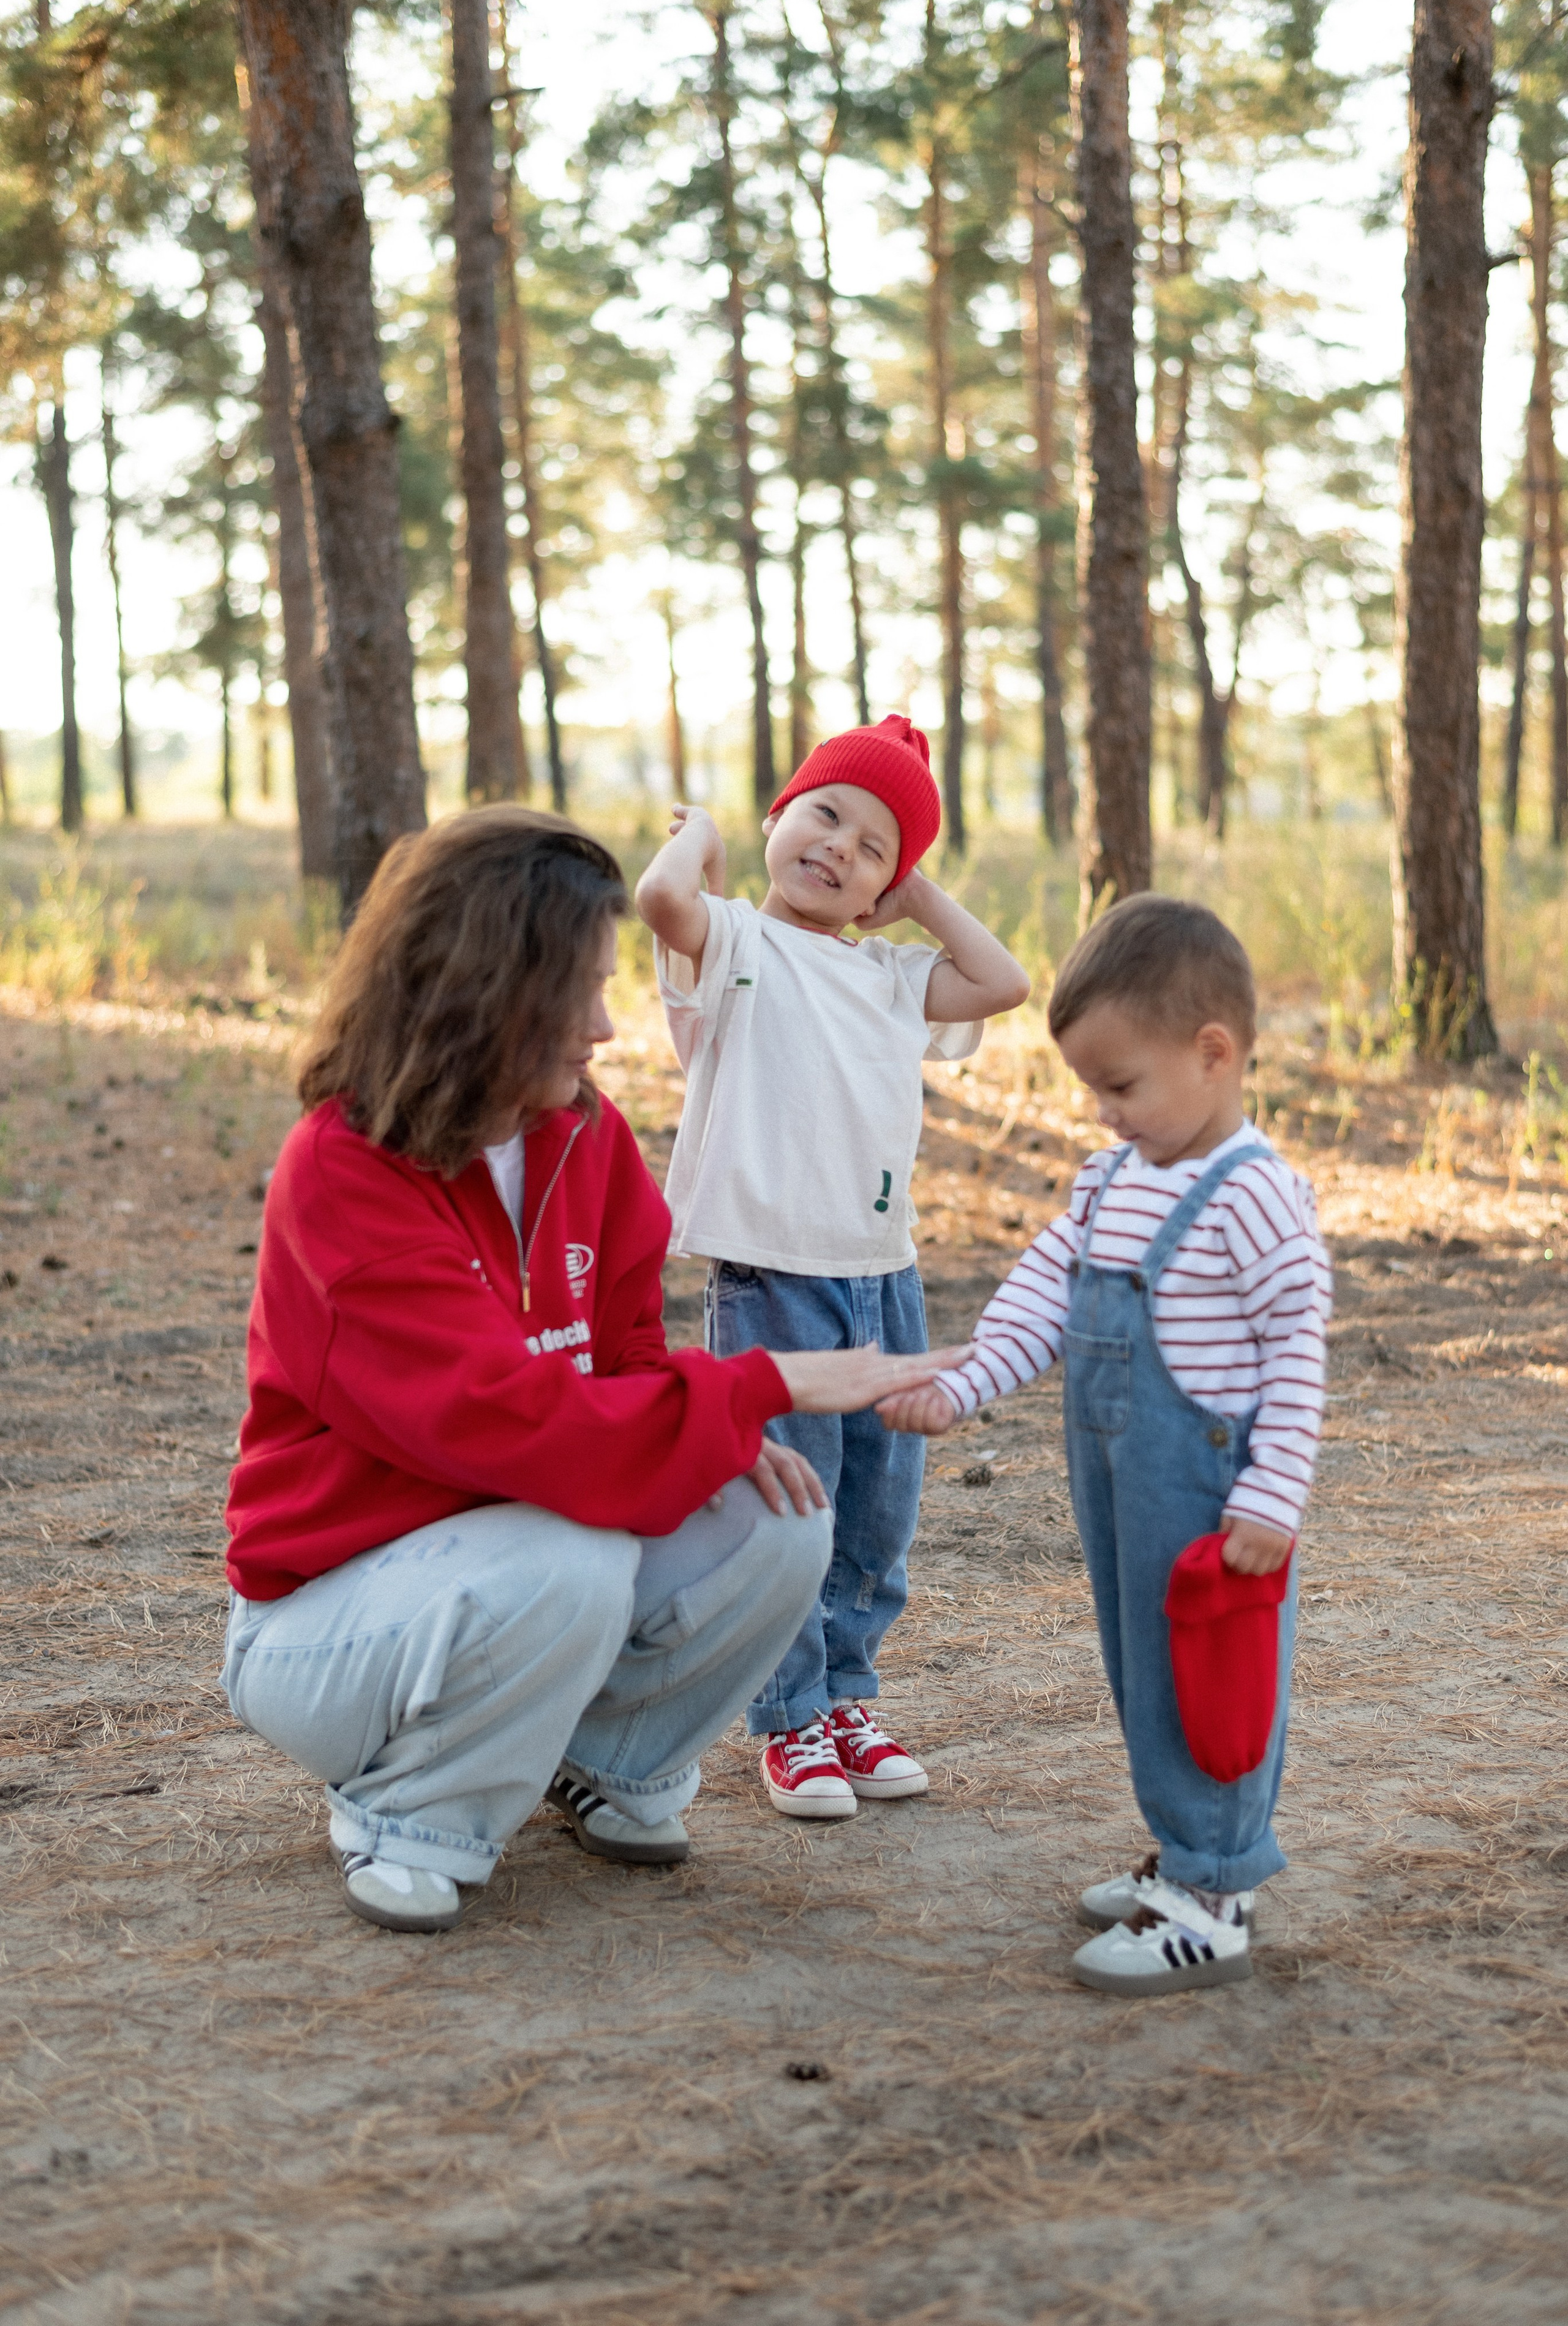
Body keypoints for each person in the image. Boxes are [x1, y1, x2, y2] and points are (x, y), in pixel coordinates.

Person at [222, 809, 965, 1935]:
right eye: (579, 993)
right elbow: (507, 1422)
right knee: (570, 1556)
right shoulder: (341, 1172)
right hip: (327, 1626)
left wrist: (723, 1433)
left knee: (777, 1515)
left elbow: (621, 1368)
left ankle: (609, 1768)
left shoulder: (583, 1134)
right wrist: (770, 1385)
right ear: (486, 990)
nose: (608, 1029)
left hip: (517, 1564)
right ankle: (411, 1808)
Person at [879, 895, 1333, 1995]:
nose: (1105, 1112)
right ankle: (1191, 1852)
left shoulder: (1256, 1194)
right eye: (1093, 1089)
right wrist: (966, 1384)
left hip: (1209, 1484)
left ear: (1213, 1054)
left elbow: (1298, 1345)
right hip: (1119, 1474)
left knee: (1207, 1676)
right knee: (1143, 1663)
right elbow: (1043, 1294)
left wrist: (1274, 1494)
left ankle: (1213, 1893)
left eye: (1121, 1087)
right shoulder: (1115, 1178)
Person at [635, 717, 1030, 1821]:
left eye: (873, 848)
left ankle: (850, 1693)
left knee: (876, 1512)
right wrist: (707, 837)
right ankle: (789, 1714)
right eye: (824, 815)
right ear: (780, 816)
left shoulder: (898, 977)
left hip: (881, 1276)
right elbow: (661, 902)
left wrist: (919, 898)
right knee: (786, 1506)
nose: (840, 849)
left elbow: (1002, 984)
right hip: (772, 1277)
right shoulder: (730, 944)